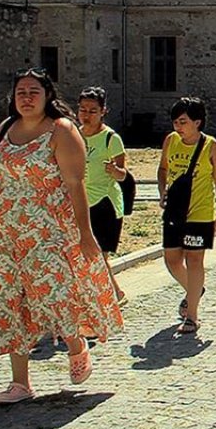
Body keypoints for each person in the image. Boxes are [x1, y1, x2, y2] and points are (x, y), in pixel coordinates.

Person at [0, 68, 122, 404]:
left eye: (33, 91)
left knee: (55, 292)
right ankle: (20, 383)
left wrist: (85, 232)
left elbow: (75, 184)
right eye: (20, 91)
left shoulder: (61, 130)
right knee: (9, 300)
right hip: (5, 232)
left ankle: (76, 343)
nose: (26, 97)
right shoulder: (6, 129)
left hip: (48, 230)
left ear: (47, 95)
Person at [157, 97, 216, 335]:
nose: (178, 126)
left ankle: (192, 316)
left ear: (197, 122)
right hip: (175, 211)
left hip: (200, 211)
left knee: (194, 260)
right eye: (175, 121)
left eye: (183, 121)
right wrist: (162, 190)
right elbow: (163, 168)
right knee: (172, 260)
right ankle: (195, 290)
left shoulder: (211, 146)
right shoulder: (170, 141)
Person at [77, 86, 130, 304]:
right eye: (83, 109)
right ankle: (112, 293)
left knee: (98, 254)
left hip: (104, 202)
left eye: (92, 110)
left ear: (103, 111)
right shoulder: (74, 136)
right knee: (83, 254)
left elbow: (123, 174)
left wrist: (114, 171)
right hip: (79, 201)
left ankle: (110, 295)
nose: (87, 115)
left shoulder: (111, 139)